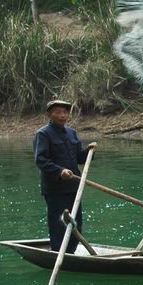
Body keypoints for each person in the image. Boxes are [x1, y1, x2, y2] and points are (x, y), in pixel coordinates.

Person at [34, 99, 97, 251]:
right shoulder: (43, 134)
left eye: (65, 112)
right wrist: (59, 171)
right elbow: (40, 160)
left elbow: (79, 159)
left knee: (76, 223)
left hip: (74, 187)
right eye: (58, 112)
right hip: (55, 189)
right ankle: (58, 252)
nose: (62, 115)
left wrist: (89, 152)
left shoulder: (71, 133)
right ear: (49, 115)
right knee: (59, 224)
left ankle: (71, 252)